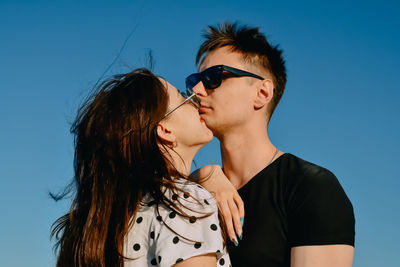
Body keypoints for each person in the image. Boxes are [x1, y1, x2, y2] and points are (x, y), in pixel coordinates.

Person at [187, 22, 355, 267]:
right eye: (195, 80)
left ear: (262, 93)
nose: (197, 90)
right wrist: (202, 176)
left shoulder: (310, 187)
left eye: (213, 78)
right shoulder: (199, 192)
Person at [50, 68, 231, 267]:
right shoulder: (185, 202)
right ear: (165, 130)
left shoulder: (96, 228)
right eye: (182, 98)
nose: (195, 100)